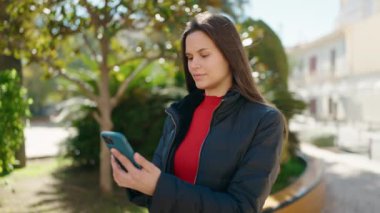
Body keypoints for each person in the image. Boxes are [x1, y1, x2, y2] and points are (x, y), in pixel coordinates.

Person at [110, 11, 286, 213]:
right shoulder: (179, 113)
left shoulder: (265, 121)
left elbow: (241, 208)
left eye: (204, 55)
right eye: (189, 57)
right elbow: (157, 189)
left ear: (230, 55)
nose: (194, 65)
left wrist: (159, 187)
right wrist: (136, 181)